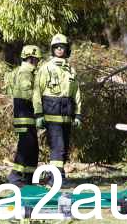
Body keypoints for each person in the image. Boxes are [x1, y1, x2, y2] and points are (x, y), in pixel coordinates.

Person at [33, 34, 82, 185]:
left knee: (64, 148)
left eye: (63, 47)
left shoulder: (71, 70)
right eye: (57, 47)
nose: (60, 49)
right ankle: (56, 179)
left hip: (67, 115)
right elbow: (37, 92)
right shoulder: (46, 68)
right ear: (52, 49)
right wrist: (39, 113)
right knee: (58, 147)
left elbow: (77, 93)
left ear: (67, 49)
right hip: (51, 114)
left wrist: (78, 114)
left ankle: (57, 176)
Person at [6, 45, 42, 186]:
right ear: (32, 58)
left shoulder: (28, 71)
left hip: (26, 115)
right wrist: (40, 97)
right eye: (37, 59)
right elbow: (28, 92)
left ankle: (29, 178)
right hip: (24, 114)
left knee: (32, 147)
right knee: (25, 147)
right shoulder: (26, 72)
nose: (38, 62)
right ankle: (15, 177)